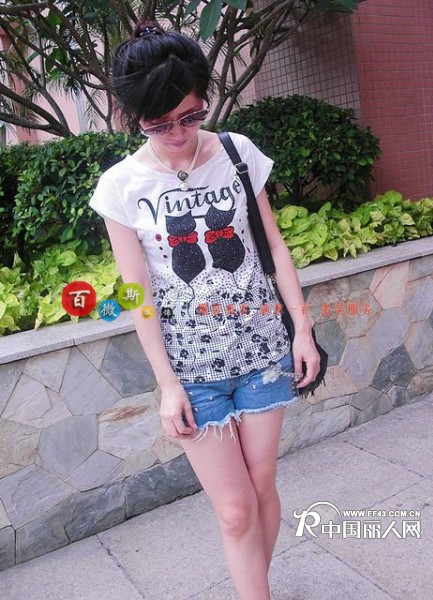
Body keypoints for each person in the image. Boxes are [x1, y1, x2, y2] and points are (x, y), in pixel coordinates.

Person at [89, 19, 320, 600]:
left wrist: (303, 329)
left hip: (263, 349)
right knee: (235, 510)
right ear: (132, 117)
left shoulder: (237, 153)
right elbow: (137, 292)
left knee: (262, 487)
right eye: (159, 123)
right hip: (193, 371)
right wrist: (166, 385)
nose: (178, 132)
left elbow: (274, 247)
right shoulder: (121, 186)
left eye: (190, 116)